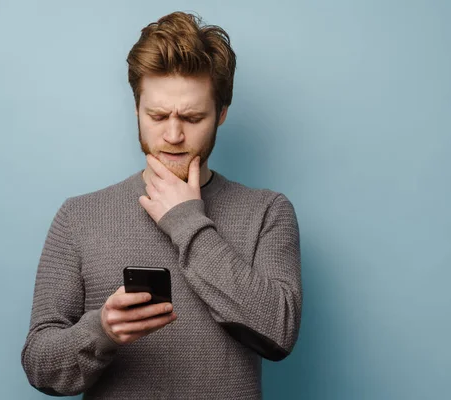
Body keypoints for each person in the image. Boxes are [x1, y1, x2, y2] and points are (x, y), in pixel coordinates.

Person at [21, 11, 302, 399]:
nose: (173, 135)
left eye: (192, 117)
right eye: (157, 115)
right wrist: (100, 331)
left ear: (221, 115)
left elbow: (279, 331)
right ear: (136, 110)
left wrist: (187, 222)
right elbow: (40, 367)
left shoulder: (268, 212)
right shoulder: (79, 217)